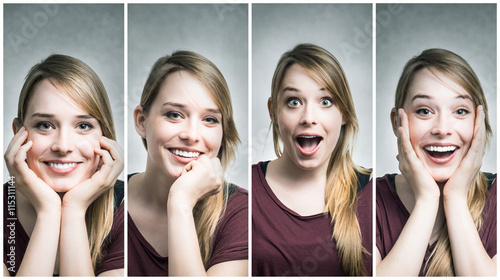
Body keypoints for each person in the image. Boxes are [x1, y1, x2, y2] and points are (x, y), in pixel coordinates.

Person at [252, 43, 372, 276]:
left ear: (344, 113)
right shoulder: (247, 191)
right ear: (273, 111)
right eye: (294, 102)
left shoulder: (374, 193)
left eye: (325, 101)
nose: (308, 118)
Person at [376, 48, 497, 276]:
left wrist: (456, 199)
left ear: (478, 123)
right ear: (396, 123)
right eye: (424, 111)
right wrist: (427, 200)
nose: (442, 129)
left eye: (460, 111)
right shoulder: (367, 199)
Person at [128, 50, 248, 276]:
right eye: (174, 114)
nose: (192, 135)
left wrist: (181, 202)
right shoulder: (107, 203)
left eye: (210, 119)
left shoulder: (241, 212)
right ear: (142, 121)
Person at [3, 54, 124, 276]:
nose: (63, 146)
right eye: (45, 125)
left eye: (84, 126)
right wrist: (48, 211)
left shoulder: (130, 209)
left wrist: (74, 209)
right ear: (18, 134)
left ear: (105, 135)